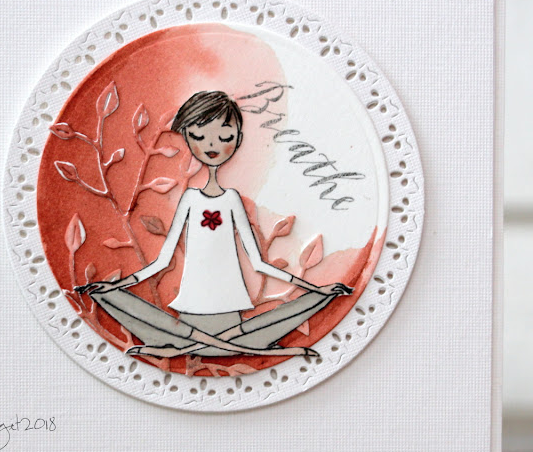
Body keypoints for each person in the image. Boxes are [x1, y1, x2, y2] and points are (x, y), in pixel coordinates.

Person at [76, 91, 352, 358]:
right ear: (187, 138)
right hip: (191, 310)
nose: (212, 146)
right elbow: (163, 260)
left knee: (241, 330)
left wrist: (317, 291)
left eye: (225, 137)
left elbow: (258, 262)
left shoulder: (231, 199)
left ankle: (191, 346)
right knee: (116, 301)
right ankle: (210, 345)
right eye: (199, 136)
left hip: (229, 313)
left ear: (238, 139)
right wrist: (118, 286)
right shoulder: (190, 198)